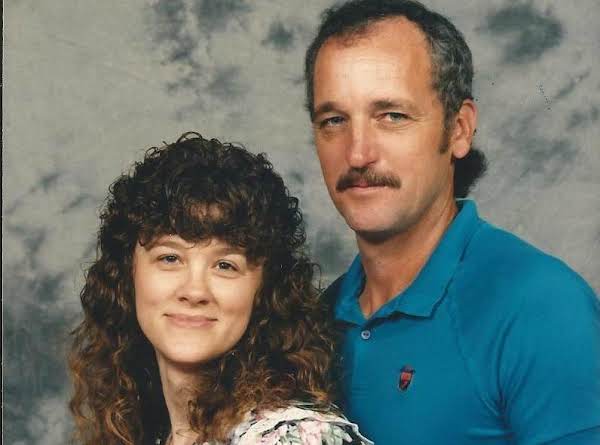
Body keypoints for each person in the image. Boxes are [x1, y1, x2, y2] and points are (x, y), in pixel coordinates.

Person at [304, 1, 600, 444]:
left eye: (392, 116)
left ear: (459, 129)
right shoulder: (312, 323)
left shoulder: (540, 308)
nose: (358, 153)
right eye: (334, 120)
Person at [68, 132, 372, 445]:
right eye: (170, 258)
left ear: (265, 291)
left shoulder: (294, 438)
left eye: (225, 265)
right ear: (127, 274)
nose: (194, 291)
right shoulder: (153, 435)